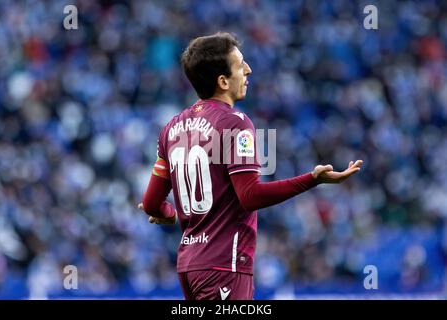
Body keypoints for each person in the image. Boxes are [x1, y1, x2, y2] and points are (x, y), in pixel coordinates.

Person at [138, 32, 363, 300]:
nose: (248, 70)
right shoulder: (235, 123)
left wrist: (168, 213)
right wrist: (313, 179)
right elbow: (250, 196)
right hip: (224, 265)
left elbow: (151, 203)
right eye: (240, 64)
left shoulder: (171, 129)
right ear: (222, 81)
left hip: (189, 266)